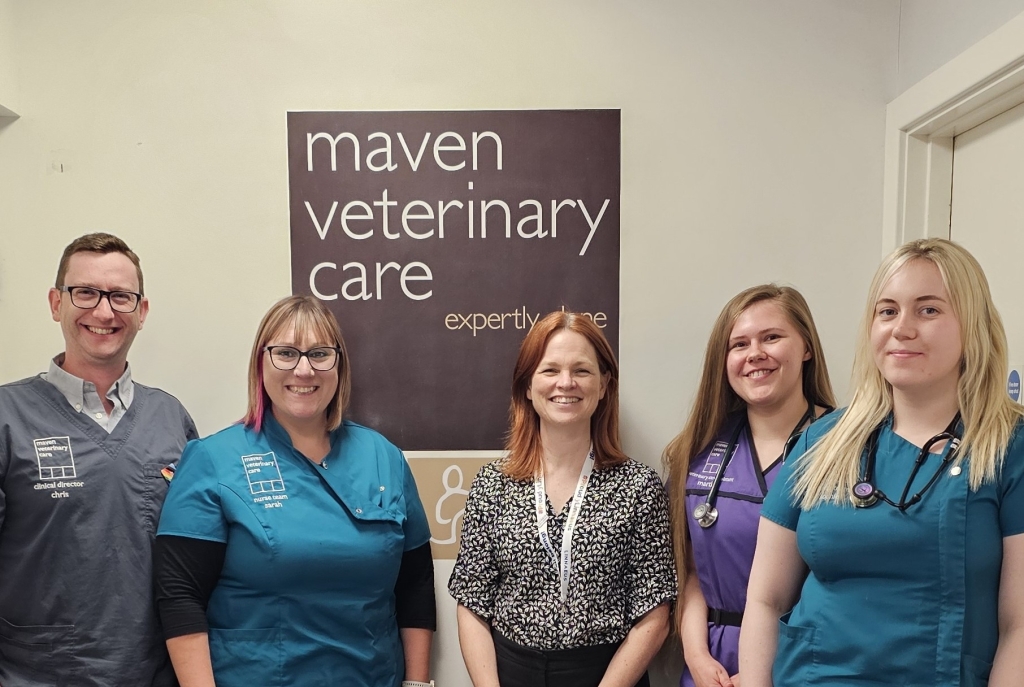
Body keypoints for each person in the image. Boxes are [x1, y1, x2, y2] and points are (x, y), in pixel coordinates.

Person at [739, 238, 1024, 686]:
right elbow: (765, 599)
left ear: (973, 325)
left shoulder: (1008, 450)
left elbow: (1019, 627)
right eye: (887, 311)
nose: (902, 328)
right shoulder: (822, 441)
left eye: (928, 310)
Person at [153, 295, 435, 687]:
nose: (304, 370)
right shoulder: (213, 460)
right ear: (261, 363)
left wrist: (418, 684)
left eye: (319, 353)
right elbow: (180, 596)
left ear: (339, 365)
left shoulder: (383, 457)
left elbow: (415, 585)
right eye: (286, 353)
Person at [0, 233, 198, 686]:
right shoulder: (7, 418)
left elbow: (192, 564)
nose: (104, 312)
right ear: (56, 303)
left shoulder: (171, 419)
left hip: (153, 674)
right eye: (85, 292)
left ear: (141, 312)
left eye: (120, 297)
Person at [449, 311, 676, 687]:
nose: (565, 383)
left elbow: (655, 615)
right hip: (510, 675)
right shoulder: (493, 485)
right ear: (527, 385)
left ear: (604, 385)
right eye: (550, 370)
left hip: (608, 675)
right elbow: (472, 602)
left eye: (582, 371)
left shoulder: (639, 487)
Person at [665, 285, 835, 687]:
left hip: (803, 660)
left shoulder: (846, 445)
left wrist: (761, 672)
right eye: (739, 344)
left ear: (807, 348)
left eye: (772, 337)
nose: (755, 353)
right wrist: (697, 657)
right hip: (712, 665)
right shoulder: (698, 449)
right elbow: (693, 573)